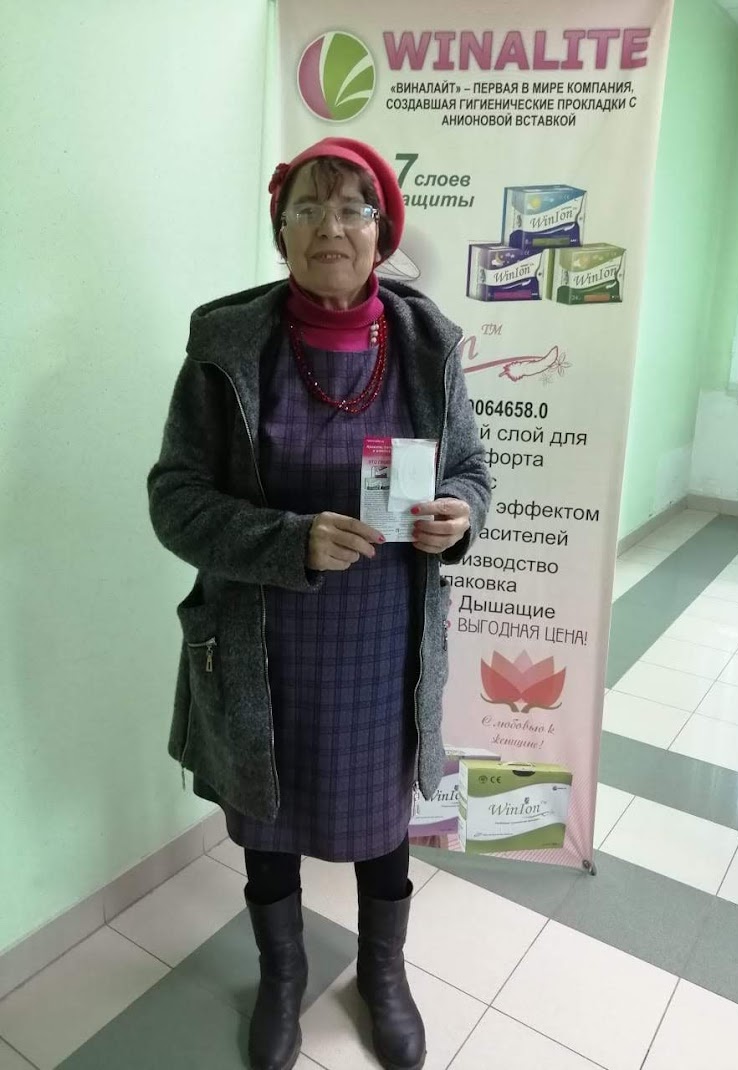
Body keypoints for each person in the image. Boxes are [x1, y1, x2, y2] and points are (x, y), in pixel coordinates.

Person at [147, 137, 491, 1070]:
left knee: (381, 823)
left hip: (385, 640)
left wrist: (460, 513)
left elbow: (469, 469)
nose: (329, 227)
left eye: (351, 208)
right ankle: (284, 976)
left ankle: (383, 975)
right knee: (266, 819)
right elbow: (175, 499)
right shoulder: (227, 348)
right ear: (281, 230)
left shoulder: (428, 346)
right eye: (306, 208)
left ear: (382, 232)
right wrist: (287, 540)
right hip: (260, 643)